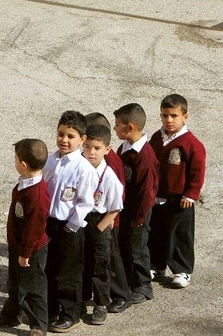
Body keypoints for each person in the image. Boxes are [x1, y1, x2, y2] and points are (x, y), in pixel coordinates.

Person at [0, 138, 50, 336]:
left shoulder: (36, 196)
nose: (14, 162)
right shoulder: (25, 184)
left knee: (33, 288)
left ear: (23, 165)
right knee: (14, 282)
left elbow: (34, 229)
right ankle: (10, 314)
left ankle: (39, 325)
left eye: (15, 159)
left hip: (31, 251)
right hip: (18, 245)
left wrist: (25, 253)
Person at [42, 110, 98, 333]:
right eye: (60, 134)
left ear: (82, 140)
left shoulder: (84, 168)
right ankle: (50, 307)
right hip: (49, 222)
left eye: (70, 136)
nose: (64, 140)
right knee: (49, 267)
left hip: (69, 227)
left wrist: (71, 225)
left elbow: (85, 202)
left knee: (68, 272)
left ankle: (70, 313)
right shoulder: (50, 160)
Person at [148, 94, 206, 289]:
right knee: (157, 232)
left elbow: (197, 172)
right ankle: (156, 265)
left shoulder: (191, 144)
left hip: (181, 200)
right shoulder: (158, 137)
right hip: (158, 197)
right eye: (165, 115)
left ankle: (182, 270)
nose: (169, 120)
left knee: (180, 235)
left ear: (185, 117)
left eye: (174, 115)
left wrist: (191, 194)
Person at [84, 113, 131, 314]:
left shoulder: (112, 162)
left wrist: (108, 222)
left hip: (108, 220)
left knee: (110, 261)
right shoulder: (85, 159)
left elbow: (119, 194)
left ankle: (121, 295)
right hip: (93, 219)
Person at [113, 103, 158, 304]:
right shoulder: (125, 147)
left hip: (138, 213)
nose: (114, 129)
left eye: (117, 125)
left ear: (130, 127)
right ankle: (131, 281)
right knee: (126, 245)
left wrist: (139, 217)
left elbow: (147, 192)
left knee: (137, 248)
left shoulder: (144, 156)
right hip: (126, 209)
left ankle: (143, 285)